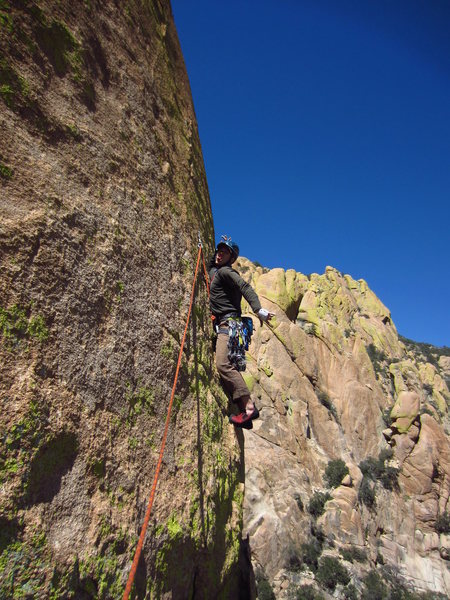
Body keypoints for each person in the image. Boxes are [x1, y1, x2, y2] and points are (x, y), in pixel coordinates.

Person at [208, 235, 273, 428]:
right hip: (229, 325)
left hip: (229, 325)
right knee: (230, 365)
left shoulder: (226, 272)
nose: (220, 254)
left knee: (223, 365)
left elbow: (245, 286)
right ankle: (242, 409)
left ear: (231, 258)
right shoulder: (217, 272)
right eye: (219, 250)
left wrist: (258, 309)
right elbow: (211, 267)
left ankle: (249, 409)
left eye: (225, 252)